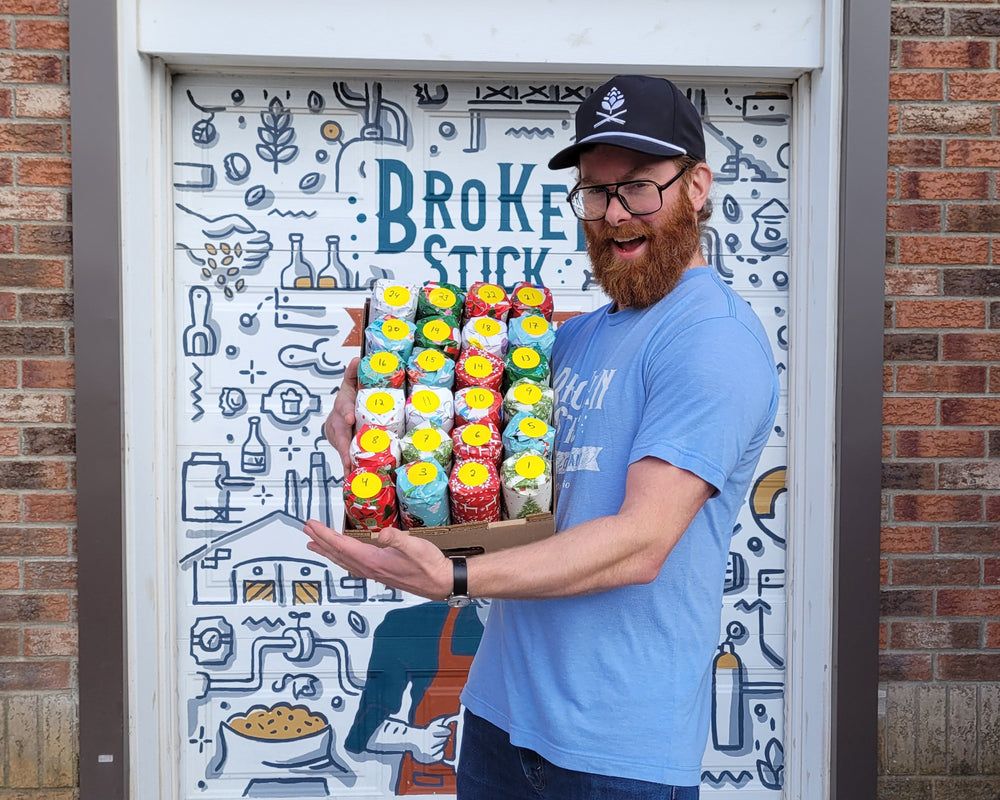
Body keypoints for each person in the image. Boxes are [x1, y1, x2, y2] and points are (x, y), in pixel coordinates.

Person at [305, 74, 779, 799]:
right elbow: (477, 471)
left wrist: (455, 578)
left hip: (614, 751)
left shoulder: (711, 339)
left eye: (640, 187)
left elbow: (641, 542)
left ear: (697, 187)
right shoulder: (577, 339)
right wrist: (368, 416)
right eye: (596, 191)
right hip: (501, 718)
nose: (616, 214)